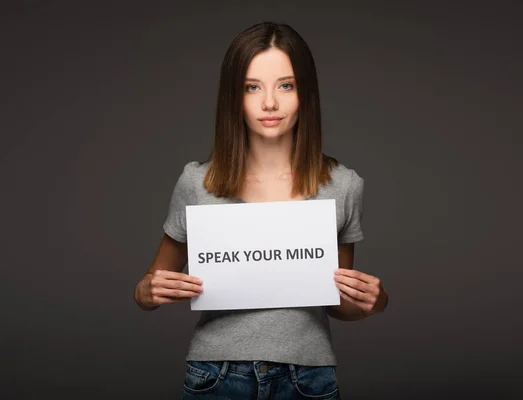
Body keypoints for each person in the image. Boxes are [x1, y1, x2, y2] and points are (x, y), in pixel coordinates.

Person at [134, 21, 388, 399]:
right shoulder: (197, 182)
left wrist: (374, 302)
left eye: (286, 85)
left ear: (306, 93)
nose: (270, 103)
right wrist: (150, 290)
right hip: (215, 376)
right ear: (234, 97)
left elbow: (336, 301)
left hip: (309, 377)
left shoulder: (342, 185)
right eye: (252, 87)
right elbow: (146, 290)